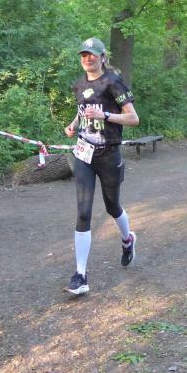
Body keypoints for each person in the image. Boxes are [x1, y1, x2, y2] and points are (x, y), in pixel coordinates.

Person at [62, 37, 140, 296]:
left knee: (112, 206)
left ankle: (128, 240)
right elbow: (82, 110)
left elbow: (133, 118)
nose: (87, 59)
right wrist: (74, 125)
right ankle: (80, 275)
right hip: (84, 154)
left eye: (92, 55)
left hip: (109, 154)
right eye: (83, 55)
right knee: (83, 212)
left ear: (102, 57)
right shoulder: (79, 84)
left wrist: (105, 115)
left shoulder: (113, 82)